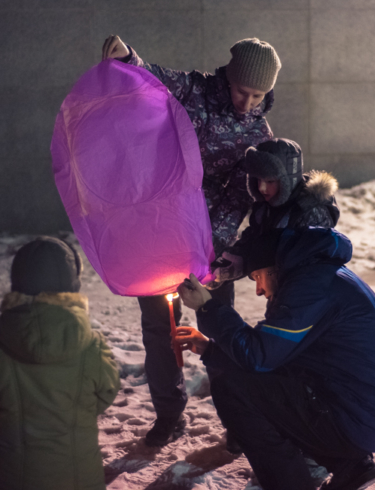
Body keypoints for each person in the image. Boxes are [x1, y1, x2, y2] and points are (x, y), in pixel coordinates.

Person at [102, 35, 281, 445]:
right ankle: (169, 414)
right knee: (159, 329)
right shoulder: (196, 90)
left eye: (258, 95)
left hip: (209, 252)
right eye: (242, 90)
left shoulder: (258, 131)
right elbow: (154, 78)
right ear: (229, 78)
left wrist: (208, 252)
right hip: (158, 238)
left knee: (220, 332)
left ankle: (238, 420)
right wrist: (129, 56)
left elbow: (240, 196)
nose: (248, 102)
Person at [176, 228, 375, 490]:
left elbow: (259, 357)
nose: (258, 290)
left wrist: (208, 307)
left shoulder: (310, 287)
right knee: (268, 386)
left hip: (356, 417)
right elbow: (278, 359)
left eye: (257, 277)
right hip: (364, 411)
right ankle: (350, 467)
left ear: (273, 268)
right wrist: (211, 350)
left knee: (232, 388)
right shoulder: (319, 276)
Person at [0, 237, 120, 490]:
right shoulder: (92, 346)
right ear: (71, 284)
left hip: (15, 476)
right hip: (79, 477)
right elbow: (106, 393)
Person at [211, 138, 340, 285]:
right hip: (280, 289)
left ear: (287, 180)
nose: (262, 188)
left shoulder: (311, 211)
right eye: (258, 180)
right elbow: (255, 239)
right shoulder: (265, 207)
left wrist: (247, 264)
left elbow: (296, 258)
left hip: (309, 290)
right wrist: (233, 260)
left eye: (270, 181)